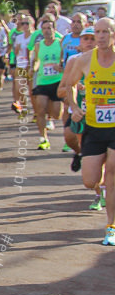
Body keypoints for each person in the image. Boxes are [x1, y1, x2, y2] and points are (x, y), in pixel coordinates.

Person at [60, 17, 115, 244]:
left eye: (105, 32)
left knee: (112, 176)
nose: (100, 37)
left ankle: (111, 226)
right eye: (97, 32)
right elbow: (65, 87)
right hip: (92, 127)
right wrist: (74, 107)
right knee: (90, 180)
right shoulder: (83, 60)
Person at [61, 27, 94, 180]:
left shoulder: (109, 60)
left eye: (92, 38)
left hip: (101, 113)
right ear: (79, 43)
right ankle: (79, 153)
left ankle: (101, 192)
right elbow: (61, 90)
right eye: (85, 38)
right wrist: (74, 91)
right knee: (70, 137)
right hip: (80, 113)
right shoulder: (74, 61)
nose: (90, 42)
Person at [30, 16, 65, 150]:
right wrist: (33, 69)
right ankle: (43, 138)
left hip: (57, 81)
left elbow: (64, 60)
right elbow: (36, 61)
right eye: (44, 29)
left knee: (57, 114)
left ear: (54, 30)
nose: (46, 31)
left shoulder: (60, 43)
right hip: (42, 81)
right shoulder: (38, 45)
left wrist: (61, 65)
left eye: (49, 28)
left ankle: (51, 118)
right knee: (40, 110)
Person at [10, 14, 35, 118]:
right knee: (20, 88)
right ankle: (24, 109)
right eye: (22, 23)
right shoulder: (19, 37)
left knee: (32, 91)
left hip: (32, 66)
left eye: (27, 23)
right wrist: (17, 49)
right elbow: (15, 53)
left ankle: (36, 112)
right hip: (20, 65)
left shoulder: (34, 36)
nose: (24, 25)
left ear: (32, 24)